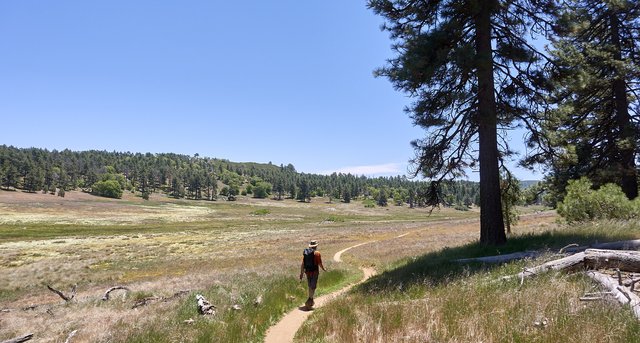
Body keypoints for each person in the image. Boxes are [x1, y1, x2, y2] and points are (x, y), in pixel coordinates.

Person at [299, 240, 326, 308]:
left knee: (310, 286)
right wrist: (323, 269)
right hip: (314, 272)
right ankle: (309, 301)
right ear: (316, 246)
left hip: (307, 272)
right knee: (313, 287)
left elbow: (302, 264)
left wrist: (301, 273)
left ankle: (310, 300)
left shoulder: (306, 253)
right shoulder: (317, 253)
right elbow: (320, 263)